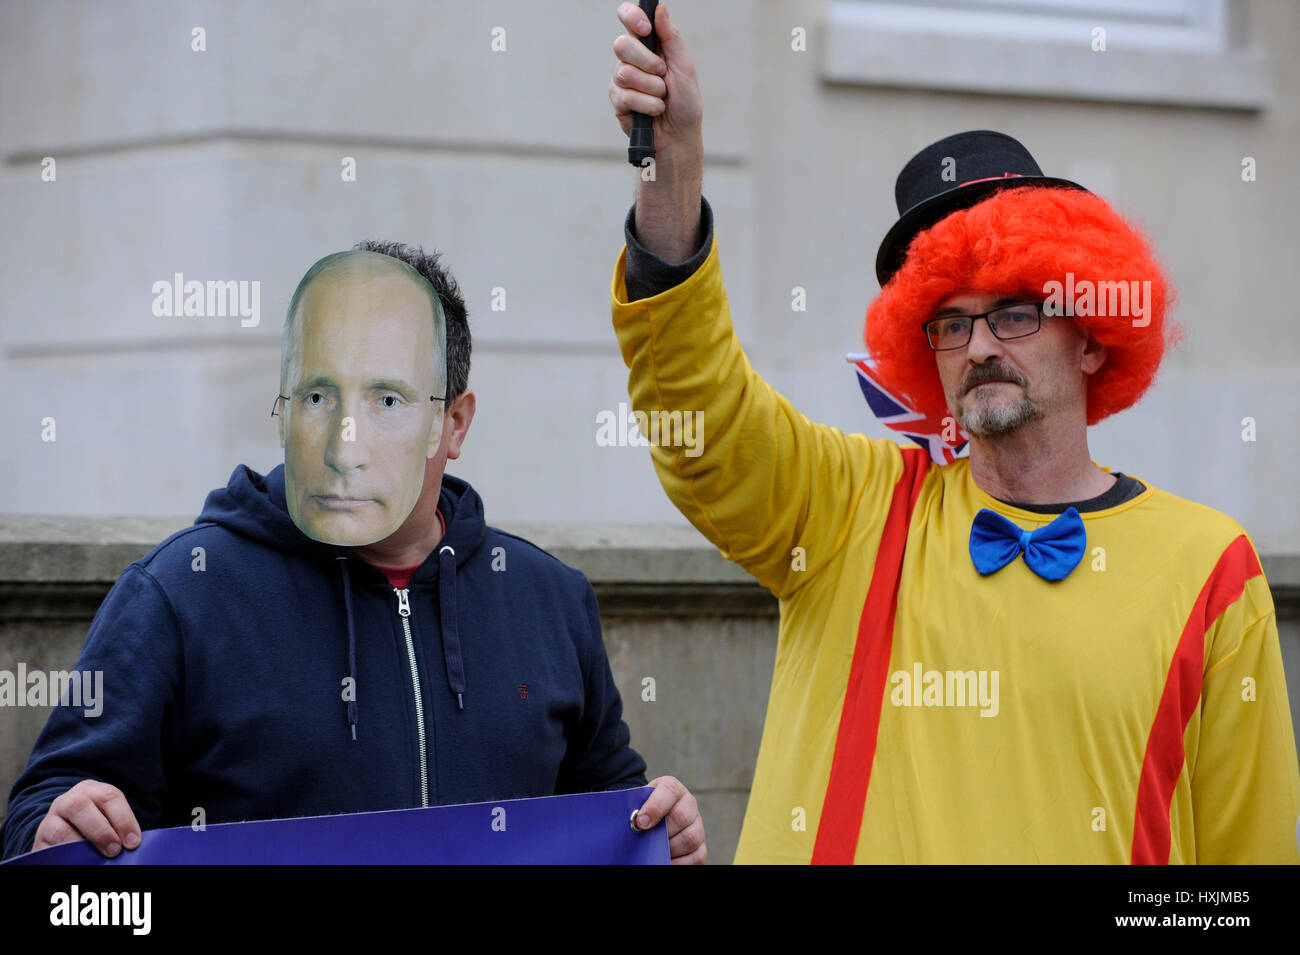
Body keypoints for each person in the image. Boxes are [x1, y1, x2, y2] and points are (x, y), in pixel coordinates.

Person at [605, 2, 1299, 863]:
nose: (976, 346)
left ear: (1089, 333)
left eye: (1012, 312)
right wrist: (672, 177)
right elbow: (702, 421)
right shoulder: (846, 515)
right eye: (948, 321)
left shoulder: (1212, 572)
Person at [2, 240, 707, 865]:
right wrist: (53, 824)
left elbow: (614, 807)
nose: (344, 444)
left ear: (452, 423)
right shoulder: (180, 596)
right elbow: (45, 816)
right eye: (317, 395)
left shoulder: (549, 599)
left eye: (388, 402)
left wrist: (661, 831)